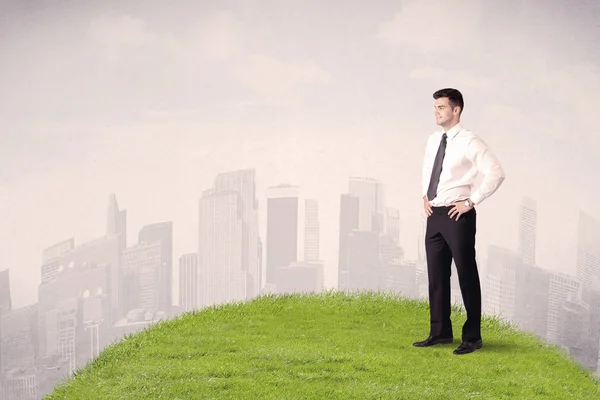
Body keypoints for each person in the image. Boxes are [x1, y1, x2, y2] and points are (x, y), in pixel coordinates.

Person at [413, 88, 505, 355]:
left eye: (441, 107)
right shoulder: (433, 140)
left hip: (457, 215)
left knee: (466, 274)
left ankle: (472, 337)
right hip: (434, 214)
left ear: (456, 110)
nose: (436, 112)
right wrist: (424, 195)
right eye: (435, 107)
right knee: (436, 277)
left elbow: (495, 173)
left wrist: (470, 201)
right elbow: (428, 169)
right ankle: (440, 332)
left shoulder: (470, 141)